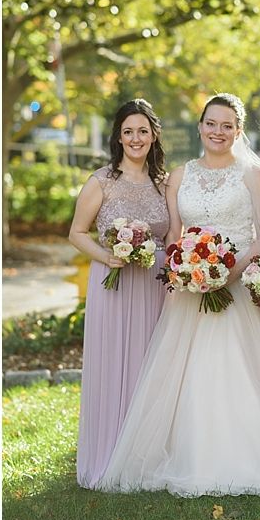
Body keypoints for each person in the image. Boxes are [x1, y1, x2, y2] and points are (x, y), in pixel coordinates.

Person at [99, 93, 260, 495]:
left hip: (236, 289)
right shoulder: (178, 175)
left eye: (227, 125)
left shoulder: (253, 174)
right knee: (185, 374)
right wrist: (186, 271)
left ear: (238, 131)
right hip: (189, 293)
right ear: (200, 127)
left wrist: (227, 274)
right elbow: (174, 234)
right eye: (211, 123)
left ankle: (251, 456)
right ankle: (187, 453)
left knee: (239, 370)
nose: (218, 132)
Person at [69, 99, 169, 489]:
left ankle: (147, 455)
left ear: (153, 135)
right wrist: (107, 256)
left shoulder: (163, 184)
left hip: (155, 284)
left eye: (143, 131)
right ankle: (109, 454)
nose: (136, 138)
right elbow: (77, 232)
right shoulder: (101, 182)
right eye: (128, 131)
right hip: (114, 282)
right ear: (118, 137)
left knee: (152, 363)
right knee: (115, 363)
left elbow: (171, 233)